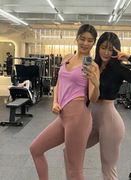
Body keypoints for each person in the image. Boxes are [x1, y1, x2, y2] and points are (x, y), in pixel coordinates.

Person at [64, 32, 131, 179]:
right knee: (68, 152)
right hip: (92, 118)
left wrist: (130, 58)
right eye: (103, 48)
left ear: (116, 50)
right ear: (98, 47)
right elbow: (83, 89)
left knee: (108, 169)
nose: (106, 53)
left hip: (110, 121)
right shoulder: (92, 64)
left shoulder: (119, 69)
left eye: (110, 49)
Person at [29, 24, 100, 180]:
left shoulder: (92, 65)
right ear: (77, 38)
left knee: (74, 168)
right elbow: (59, 83)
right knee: (35, 149)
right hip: (63, 116)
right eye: (82, 39)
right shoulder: (67, 57)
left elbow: (93, 99)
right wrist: (55, 102)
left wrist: (95, 83)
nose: (85, 43)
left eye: (90, 40)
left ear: (94, 43)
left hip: (78, 118)